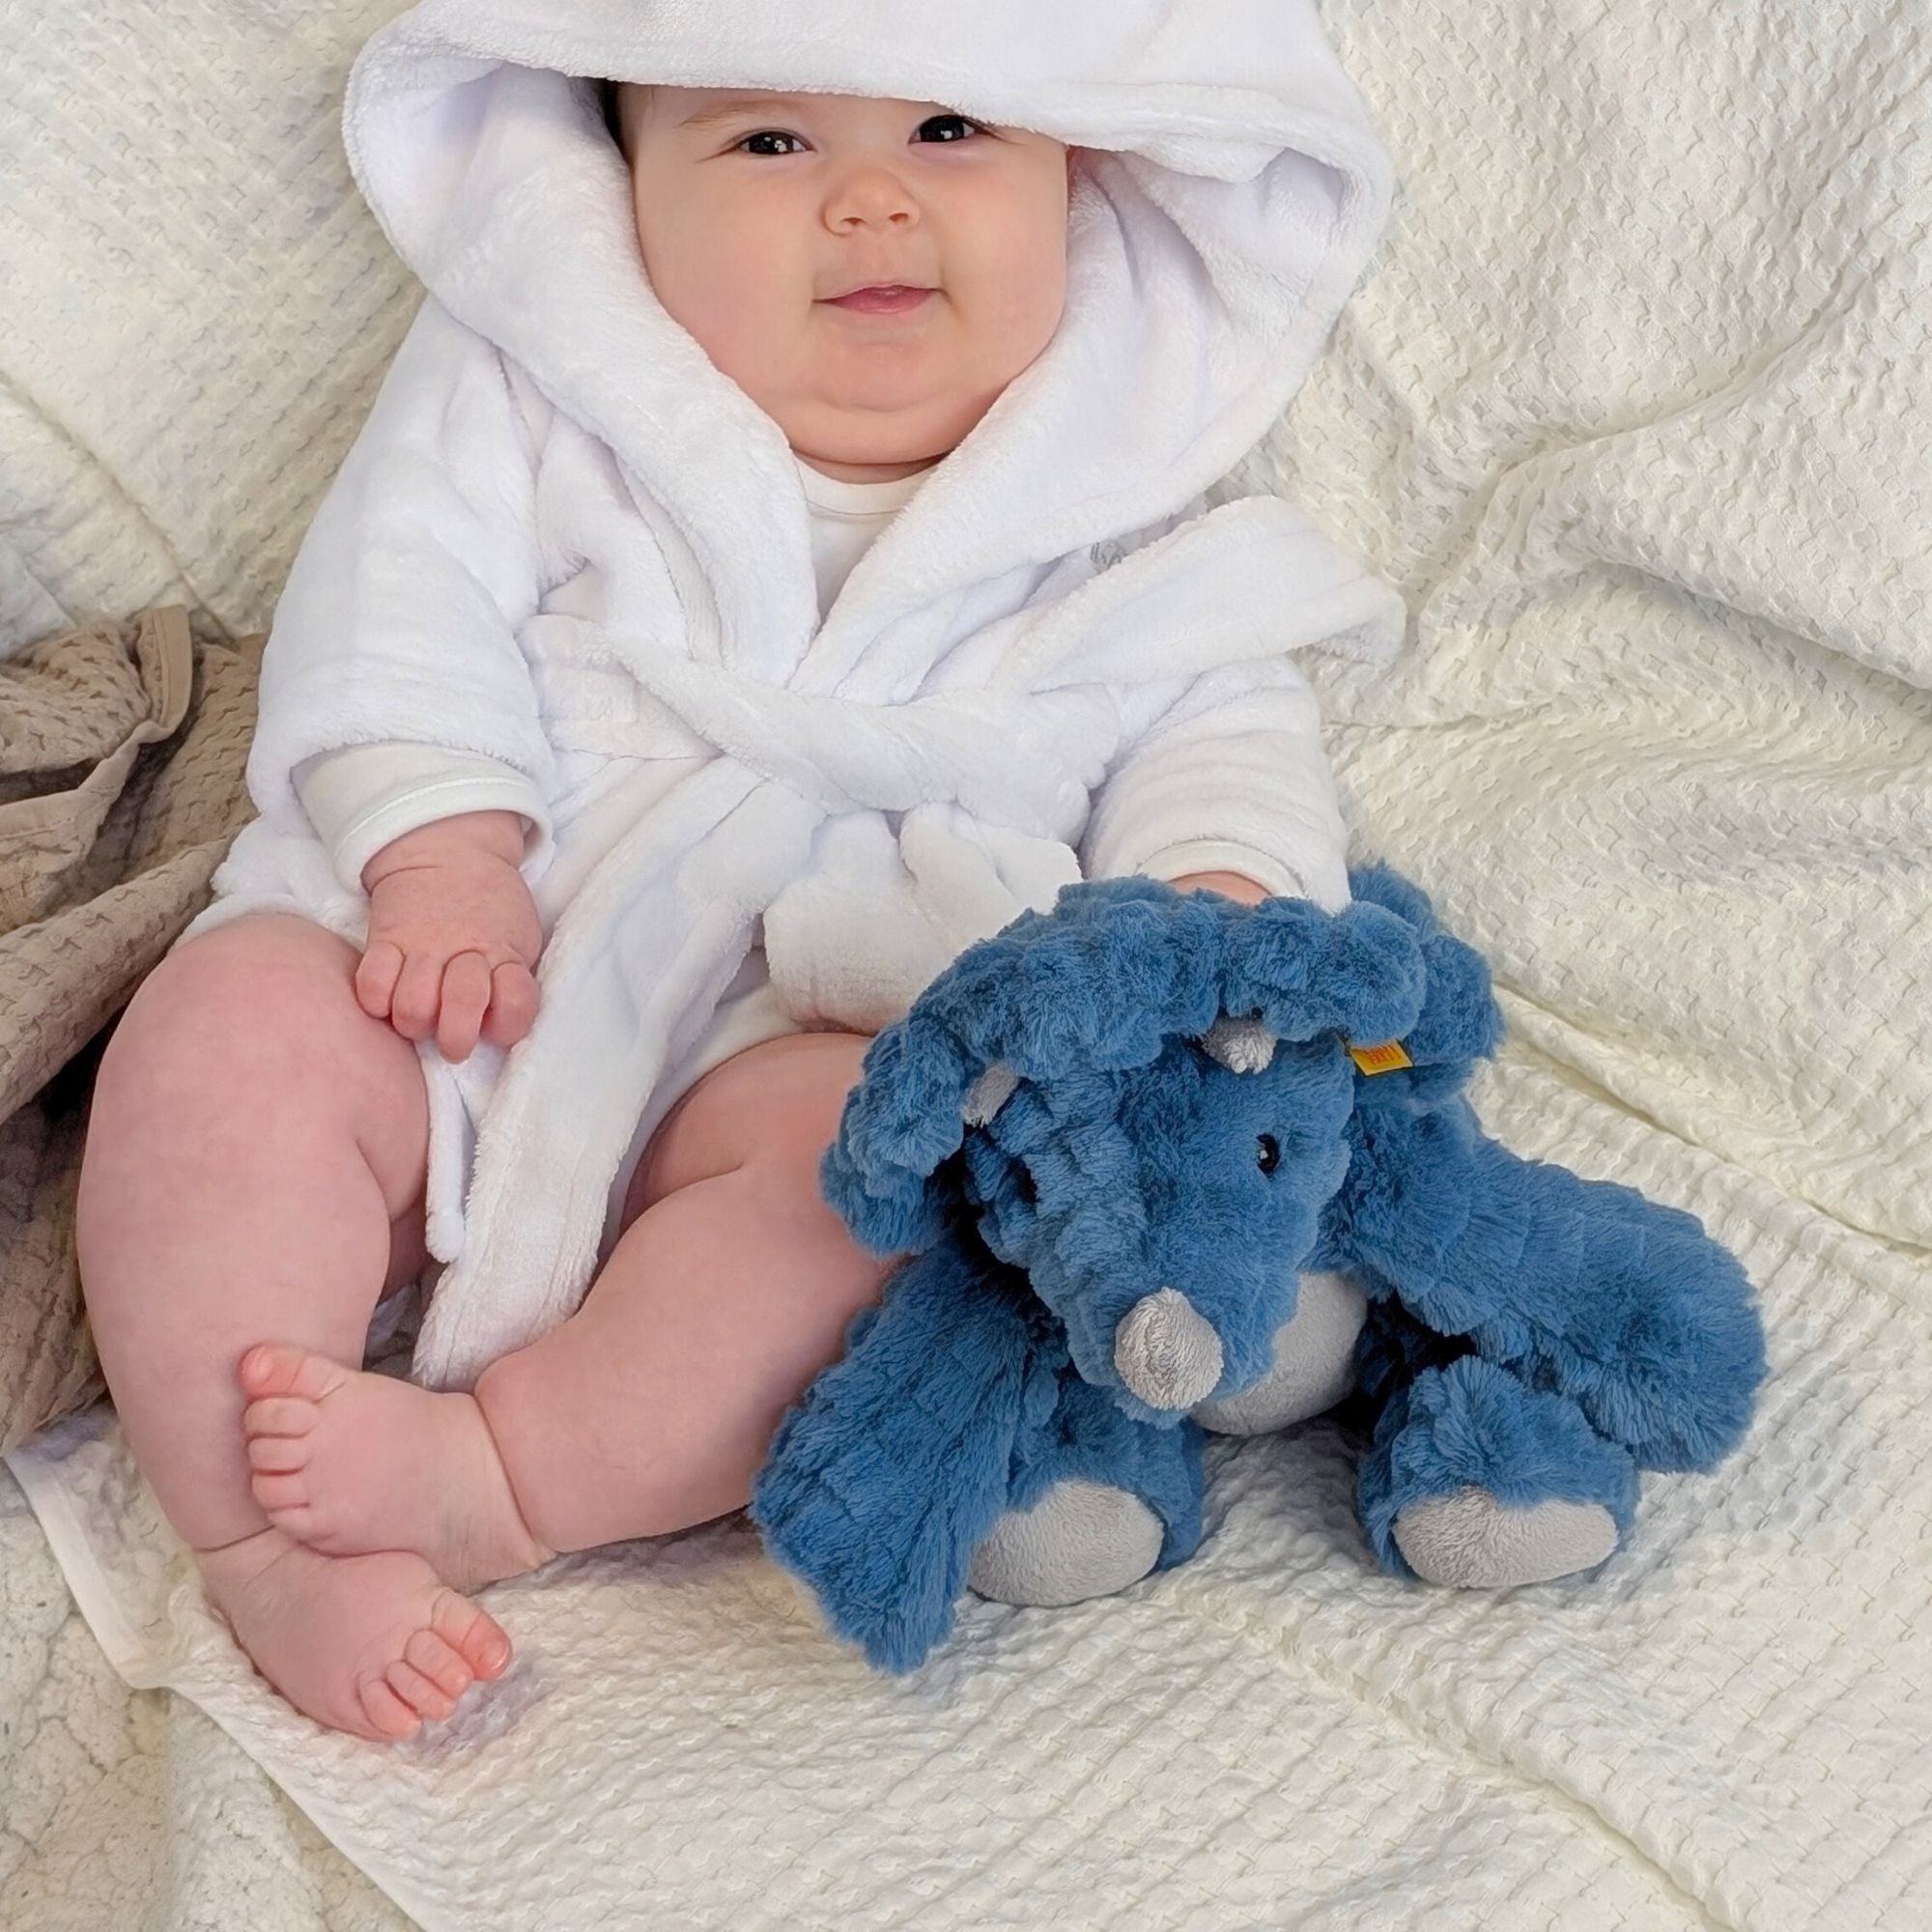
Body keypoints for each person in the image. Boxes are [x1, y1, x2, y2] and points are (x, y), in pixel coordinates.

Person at [74, 0, 1406, 1742]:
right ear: (624, 180)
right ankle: (259, 1540)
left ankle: (510, 1478)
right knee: (230, 1032)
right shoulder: (544, 376)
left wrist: (1208, 908)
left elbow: (1221, 731)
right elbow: (397, 595)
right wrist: (440, 843)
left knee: (874, 1188)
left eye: (951, 130)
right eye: (771, 141)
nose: (870, 199)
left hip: (805, 1031)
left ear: (1079, 172)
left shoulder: (1125, 482)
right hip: (478, 971)